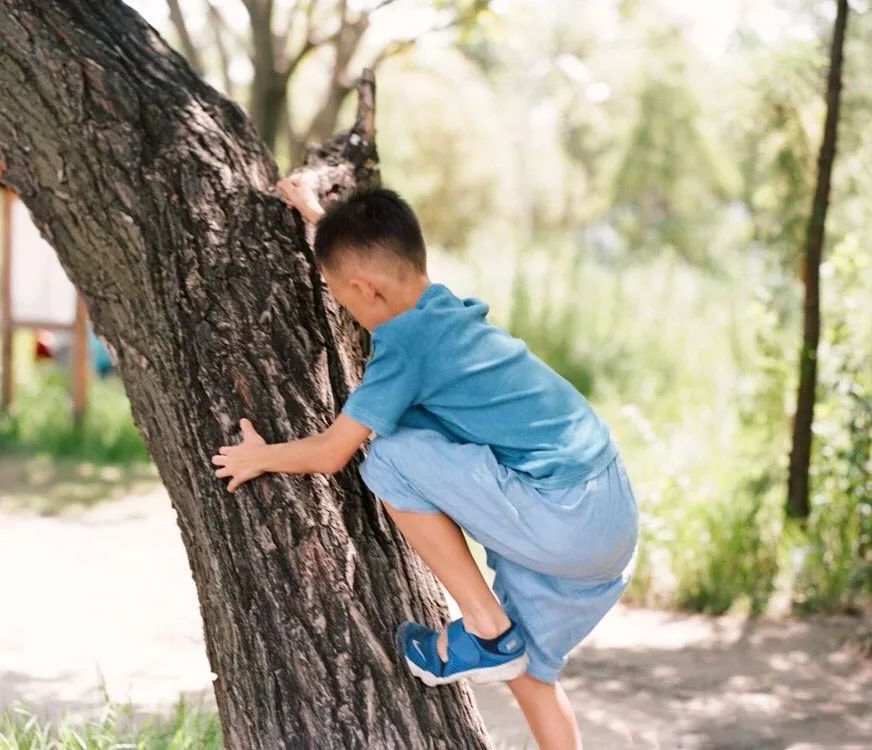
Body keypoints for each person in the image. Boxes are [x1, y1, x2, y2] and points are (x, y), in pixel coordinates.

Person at [211, 176, 640, 750]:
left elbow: (333, 452)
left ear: (364, 289)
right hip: (609, 509)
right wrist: (318, 217)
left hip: (563, 515)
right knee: (529, 674)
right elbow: (369, 260)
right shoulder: (442, 308)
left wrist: (260, 456)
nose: (343, 307)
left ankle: (484, 629)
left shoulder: (404, 347)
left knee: (390, 456)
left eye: (339, 296)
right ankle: (499, 644)